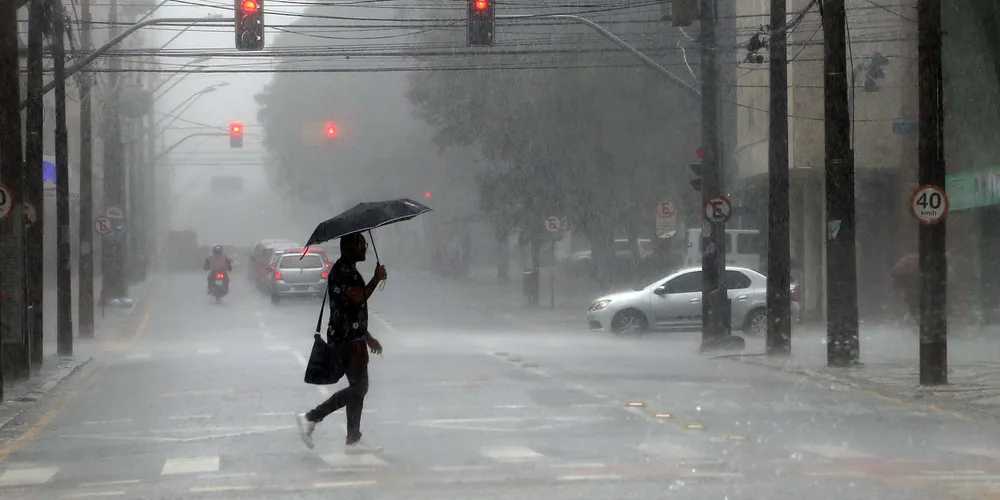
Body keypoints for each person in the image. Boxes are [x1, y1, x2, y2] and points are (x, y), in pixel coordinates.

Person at [296, 232, 387, 453]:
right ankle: (311, 417)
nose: (365, 248)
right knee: (359, 387)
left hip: (351, 336)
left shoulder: (346, 269)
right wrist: (376, 279)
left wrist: (367, 336)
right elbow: (358, 298)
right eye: (361, 244)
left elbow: (352, 309)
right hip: (347, 339)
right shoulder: (343, 271)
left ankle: (353, 439)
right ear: (348, 247)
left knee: (359, 387)